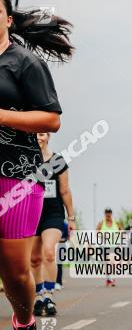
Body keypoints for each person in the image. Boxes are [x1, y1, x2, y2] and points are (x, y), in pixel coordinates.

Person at [0, 0, 71, 330]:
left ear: (7, 19)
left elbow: (51, 119)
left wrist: (2, 115)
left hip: (18, 174)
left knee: (15, 272)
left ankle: (25, 320)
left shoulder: (24, 63)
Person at [30, 132, 75, 316]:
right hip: (31, 214)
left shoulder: (57, 160)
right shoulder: (26, 160)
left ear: (48, 136)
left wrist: (71, 217)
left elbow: (64, 190)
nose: (39, 138)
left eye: (41, 134)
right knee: (33, 259)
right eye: (35, 135)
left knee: (49, 252)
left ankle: (49, 296)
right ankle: (38, 296)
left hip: (53, 213)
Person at [96, 208, 120, 286]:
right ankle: (109, 278)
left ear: (111, 214)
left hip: (114, 245)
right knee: (107, 263)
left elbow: (122, 231)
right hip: (104, 245)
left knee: (114, 263)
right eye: (107, 213)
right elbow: (97, 233)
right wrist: (102, 236)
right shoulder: (101, 223)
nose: (108, 214)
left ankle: (111, 278)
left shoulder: (116, 223)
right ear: (104, 214)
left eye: (109, 212)